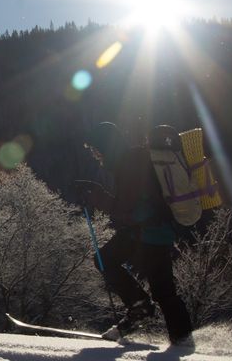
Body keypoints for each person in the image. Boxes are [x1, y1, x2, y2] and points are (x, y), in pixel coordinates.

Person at [74, 122, 193, 345]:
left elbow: (127, 209)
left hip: (145, 233)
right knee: (164, 292)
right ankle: (182, 341)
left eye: (96, 149)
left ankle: (141, 308)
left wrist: (95, 196)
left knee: (105, 260)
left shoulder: (129, 163)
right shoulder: (134, 159)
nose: (95, 154)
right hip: (158, 233)